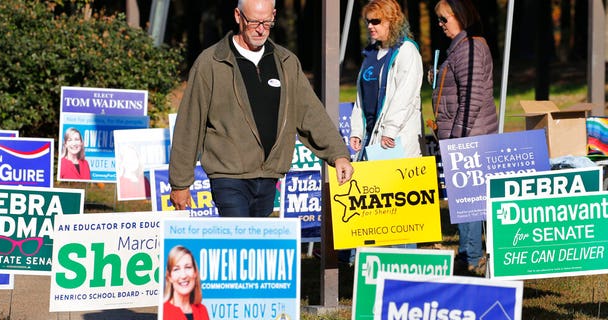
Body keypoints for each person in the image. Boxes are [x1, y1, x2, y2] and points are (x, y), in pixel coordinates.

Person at [169, 0, 354, 217]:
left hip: (269, 175)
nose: (260, 29)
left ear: (274, 15)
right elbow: (190, 123)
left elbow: (310, 113)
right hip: (228, 176)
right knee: (240, 242)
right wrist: (180, 183)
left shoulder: (286, 62)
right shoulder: (211, 62)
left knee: (257, 247)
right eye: (254, 22)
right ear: (238, 16)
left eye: (267, 22)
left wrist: (338, 154)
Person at [431, 0, 498, 275]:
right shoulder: (460, 48)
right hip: (465, 134)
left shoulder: (470, 48)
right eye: (438, 19)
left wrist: (458, 140)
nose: (440, 24)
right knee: (465, 199)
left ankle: (472, 256)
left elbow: (472, 99)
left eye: (445, 19)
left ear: (460, 17)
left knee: (469, 198)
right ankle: (469, 252)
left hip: (469, 137)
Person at [349, 0, 423, 162]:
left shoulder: (406, 51)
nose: (370, 26)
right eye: (368, 21)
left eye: (376, 21)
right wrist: (357, 131)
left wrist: (390, 130)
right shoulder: (370, 54)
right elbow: (361, 98)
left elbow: (405, 95)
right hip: (370, 135)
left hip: (394, 137)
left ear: (392, 21)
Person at [163, 245, 209, 320]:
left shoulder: (202, 310)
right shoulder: (163, 312)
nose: (183, 275)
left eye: (188, 267)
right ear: (169, 277)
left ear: (195, 272)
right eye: (176, 269)